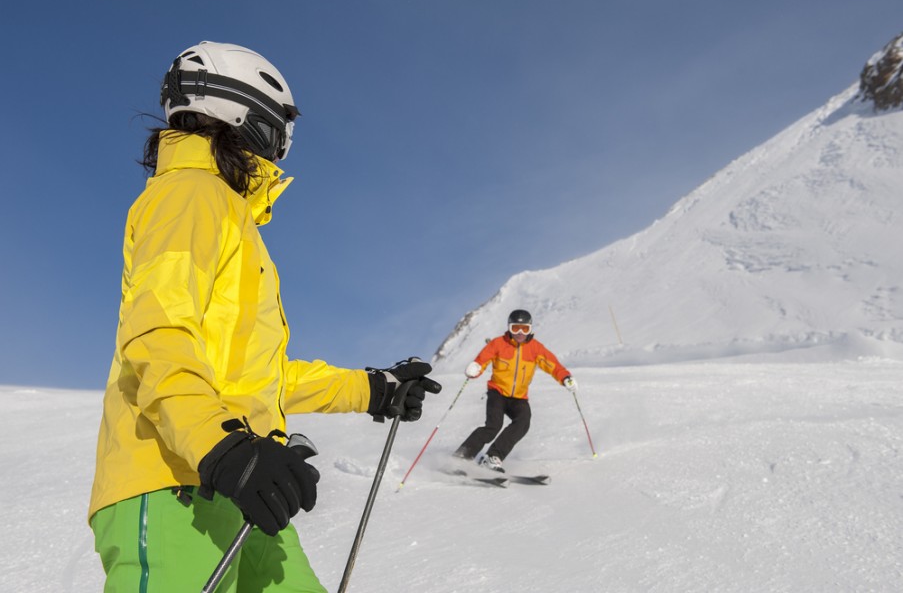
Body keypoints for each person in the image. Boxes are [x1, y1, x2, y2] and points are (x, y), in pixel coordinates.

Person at [89, 41, 441, 593]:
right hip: (173, 479)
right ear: (247, 111)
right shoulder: (190, 194)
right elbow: (157, 335)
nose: (283, 146)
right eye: (282, 126)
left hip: (238, 477)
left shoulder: (231, 219)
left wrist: (371, 388)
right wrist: (221, 449)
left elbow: (258, 377)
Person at [454, 309, 577, 472]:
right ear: (509, 328)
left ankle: (493, 456)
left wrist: (565, 377)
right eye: (515, 328)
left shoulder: (535, 348)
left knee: (523, 422)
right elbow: (483, 359)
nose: (520, 333)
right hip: (497, 392)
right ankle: (462, 456)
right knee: (493, 426)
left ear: (530, 329)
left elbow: (552, 365)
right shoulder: (498, 343)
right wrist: (475, 367)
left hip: (519, 397)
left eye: (524, 329)